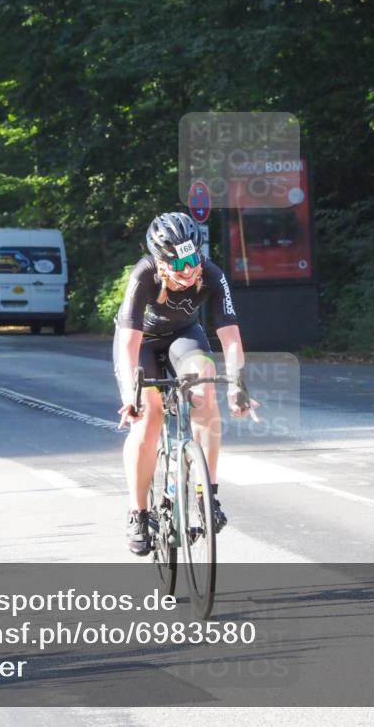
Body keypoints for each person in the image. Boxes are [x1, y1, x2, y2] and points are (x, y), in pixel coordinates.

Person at [114, 212, 256, 555]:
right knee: (149, 417)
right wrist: (129, 397)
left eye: (192, 259)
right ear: (160, 263)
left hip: (183, 336)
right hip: (143, 343)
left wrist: (237, 385)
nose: (188, 270)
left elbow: (231, 338)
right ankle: (138, 513)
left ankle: (206, 493)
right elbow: (128, 346)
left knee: (205, 391)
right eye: (178, 265)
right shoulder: (143, 275)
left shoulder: (211, 274)